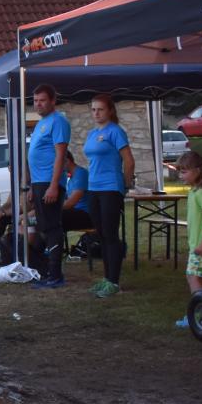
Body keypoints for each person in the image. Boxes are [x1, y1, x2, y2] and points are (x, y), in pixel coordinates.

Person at [82, 94, 135, 299]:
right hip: (93, 188)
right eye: (93, 109)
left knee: (111, 235)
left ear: (110, 111)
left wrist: (126, 184)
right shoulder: (92, 133)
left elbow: (129, 161)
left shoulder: (115, 131)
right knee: (101, 234)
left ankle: (114, 282)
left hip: (111, 187)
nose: (96, 113)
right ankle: (107, 279)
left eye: (100, 109)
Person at [26, 84, 71, 288]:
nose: (38, 104)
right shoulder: (40, 123)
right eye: (35, 100)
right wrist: (31, 186)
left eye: (42, 100)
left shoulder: (58, 121)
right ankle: (47, 270)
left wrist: (54, 185)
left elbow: (60, 155)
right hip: (39, 182)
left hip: (49, 181)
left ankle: (55, 275)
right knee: (43, 227)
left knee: (52, 227)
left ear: (53, 101)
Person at [174, 151, 202, 330]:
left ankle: (197, 313)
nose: (180, 175)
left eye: (184, 171)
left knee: (193, 277)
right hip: (198, 245)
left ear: (197, 171)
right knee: (200, 278)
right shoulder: (194, 192)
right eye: (180, 171)